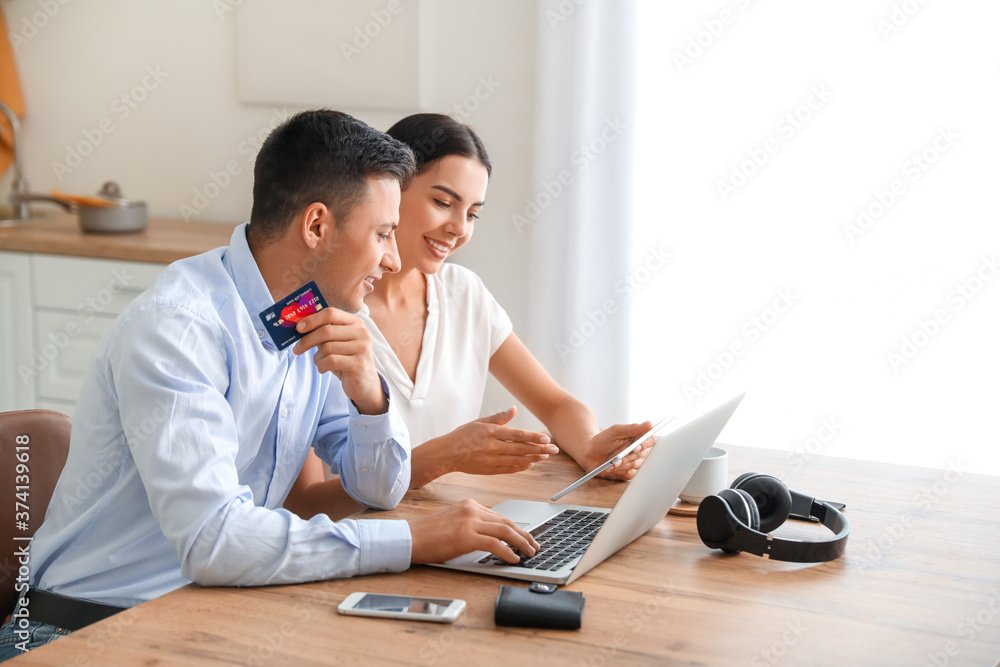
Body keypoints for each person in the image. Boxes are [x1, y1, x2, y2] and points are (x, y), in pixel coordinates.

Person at [0, 110, 539, 661]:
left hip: (206, 610)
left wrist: (368, 394)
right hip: (82, 631)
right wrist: (414, 540)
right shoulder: (177, 328)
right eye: (382, 234)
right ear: (316, 226)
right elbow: (215, 541)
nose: (395, 257)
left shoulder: (306, 313)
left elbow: (380, 488)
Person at [284, 113, 653, 520]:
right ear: (389, 190)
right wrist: (444, 457)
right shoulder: (312, 317)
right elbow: (303, 502)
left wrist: (590, 448)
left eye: (473, 213)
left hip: (456, 527)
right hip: (355, 543)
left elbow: (555, 403)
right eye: (442, 202)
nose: (458, 228)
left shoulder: (464, 294)